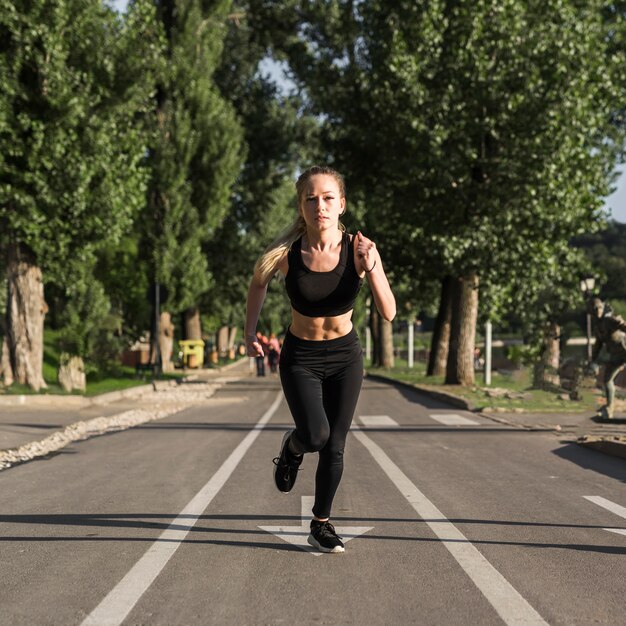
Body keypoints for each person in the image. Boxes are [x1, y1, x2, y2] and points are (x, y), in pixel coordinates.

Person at [245, 165, 396, 553]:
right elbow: (258, 282)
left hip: (345, 357)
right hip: (301, 357)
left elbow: (389, 312)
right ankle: (292, 450)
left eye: (328, 198)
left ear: (341, 204)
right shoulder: (288, 254)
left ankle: (321, 523)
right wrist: (250, 331)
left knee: (335, 446)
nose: (320, 206)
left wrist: (373, 264)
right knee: (315, 435)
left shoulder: (359, 250)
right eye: (311, 199)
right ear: (301, 205)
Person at [588, 297, 626, 420]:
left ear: (603, 308)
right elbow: (598, 345)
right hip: (616, 355)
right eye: (594, 309)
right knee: (607, 379)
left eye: (599, 308)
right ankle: (609, 409)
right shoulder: (598, 327)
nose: (597, 311)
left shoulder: (610, 320)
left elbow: (624, 326)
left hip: (624, 350)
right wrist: (593, 359)